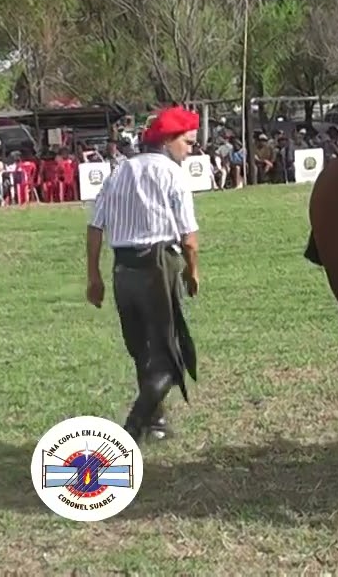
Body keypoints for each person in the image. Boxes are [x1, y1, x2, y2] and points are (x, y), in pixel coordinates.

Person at [85, 105, 203, 444]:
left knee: (142, 350)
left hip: (122, 269)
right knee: (168, 358)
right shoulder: (172, 174)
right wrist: (193, 271)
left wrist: (94, 276)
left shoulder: (119, 171)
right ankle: (132, 429)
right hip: (158, 265)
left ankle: (157, 421)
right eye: (188, 142)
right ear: (168, 140)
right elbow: (189, 238)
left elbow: (95, 228)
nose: (190, 150)